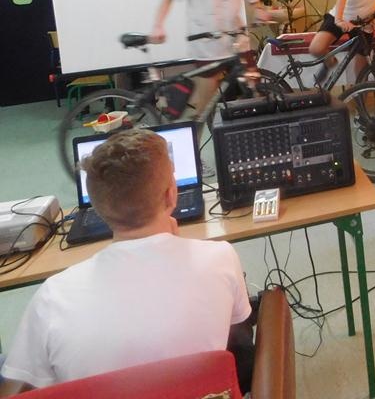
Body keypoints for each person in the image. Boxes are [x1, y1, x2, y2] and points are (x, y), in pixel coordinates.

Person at [0, 129, 251, 392]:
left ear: (97, 207)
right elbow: (238, 337)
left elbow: (24, 387)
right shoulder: (219, 257)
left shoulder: (52, 297)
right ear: (171, 195)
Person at [150, 0, 277, 117]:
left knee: (254, 85)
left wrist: (259, 10)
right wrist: (158, 26)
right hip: (207, 46)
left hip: (236, 41)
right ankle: (197, 129)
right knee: (206, 103)